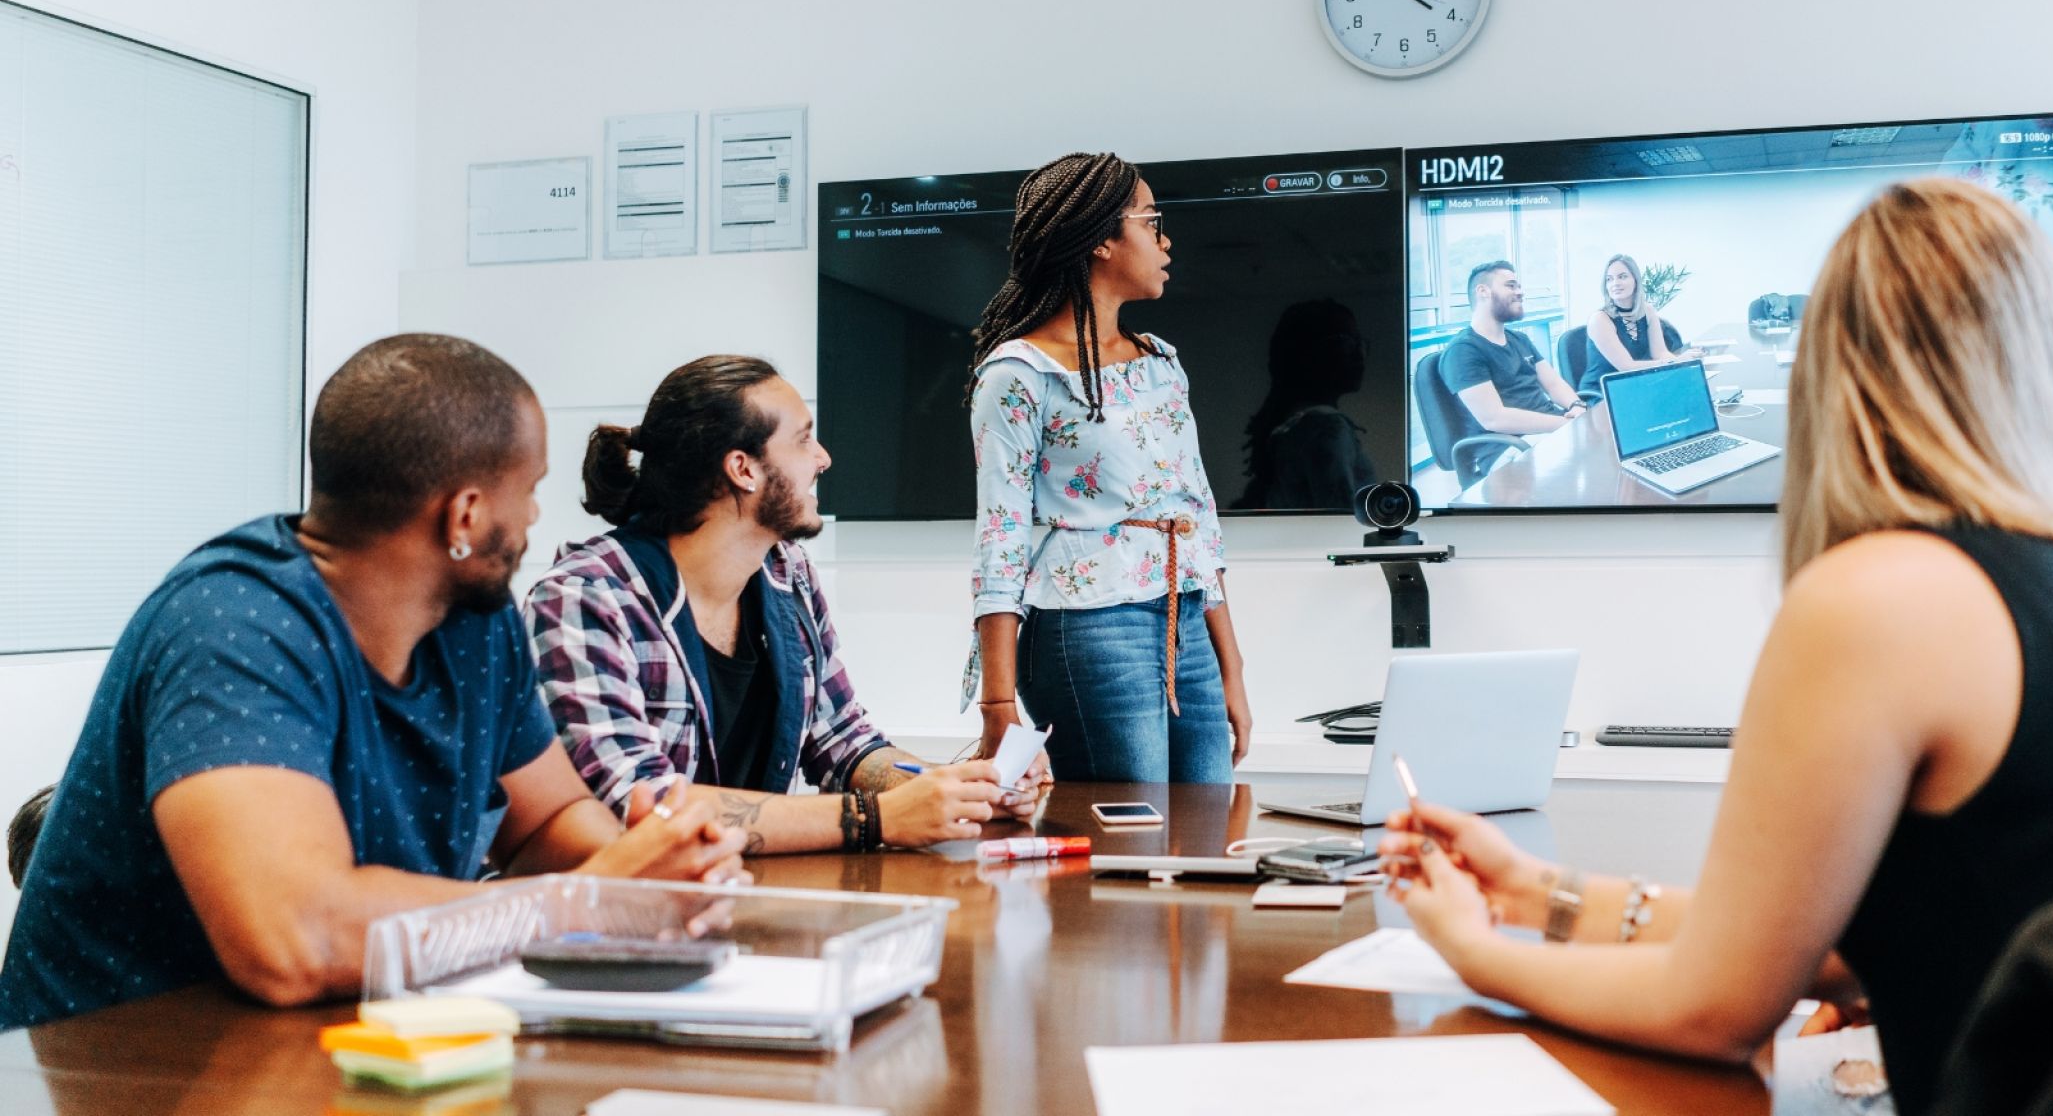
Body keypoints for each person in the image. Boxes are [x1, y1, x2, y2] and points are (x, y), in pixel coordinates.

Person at [1379, 179, 2053, 1112]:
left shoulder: (1886, 596)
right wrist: (1539, 893)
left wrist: (1472, 951)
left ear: (1833, 368)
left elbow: (1714, 1007)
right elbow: (1816, 947)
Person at [0, 335, 747, 1030]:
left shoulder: (474, 622)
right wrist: (590, 899)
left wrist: (650, 866)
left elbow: (546, 824)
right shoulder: (232, 626)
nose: (534, 515)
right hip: (123, 1071)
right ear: (466, 513)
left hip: (327, 1051)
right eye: (530, 488)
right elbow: (296, 941)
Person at [525, 356, 1025, 854]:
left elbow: (842, 742)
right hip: (632, 915)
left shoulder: (788, 573)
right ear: (742, 469)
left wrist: (960, 792)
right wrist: (875, 818)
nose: (823, 458)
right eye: (804, 439)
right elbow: (640, 805)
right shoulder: (585, 598)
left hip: (745, 899)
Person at [967, 152, 1253, 783]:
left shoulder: (1160, 362)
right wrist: (996, 703)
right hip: (1088, 625)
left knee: (1207, 835)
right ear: (1100, 239)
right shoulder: (1019, 374)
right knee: (1125, 840)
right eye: (1152, 222)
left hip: (1186, 620)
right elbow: (1000, 537)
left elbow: (1198, 517)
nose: (1165, 240)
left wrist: (1231, 668)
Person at [1235, 298, 1378, 511]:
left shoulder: (1293, 425)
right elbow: (1343, 524)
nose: (1359, 355)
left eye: (1360, 343)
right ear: (1306, 352)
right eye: (1345, 342)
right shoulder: (1327, 429)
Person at [1439, 261, 1585, 438]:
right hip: (1509, 443)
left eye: (1519, 287)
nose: (1520, 292)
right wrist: (1567, 424)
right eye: (1511, 286)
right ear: (1483, 291)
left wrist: (1576, 406)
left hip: (1548, 430)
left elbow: (1553, 384)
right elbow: (1494, 418)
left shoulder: (1519, 339)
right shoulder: (1462, 351)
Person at [1579, 253, 1698, 397]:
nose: (1615, 283)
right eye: (1609, 279)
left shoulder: (1647, 310)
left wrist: (1681, 362)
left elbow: (1660, 353)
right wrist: (1676, 362)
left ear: (1635, 280)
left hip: (1634, 384)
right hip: (1603, 393)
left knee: (1689, 392)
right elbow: (1626, 366)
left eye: (1622, 276)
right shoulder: (1600, 320)